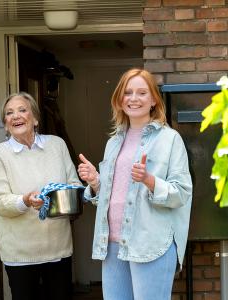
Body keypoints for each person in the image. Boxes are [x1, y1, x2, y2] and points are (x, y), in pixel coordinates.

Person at [77, 68, 193, 299]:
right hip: (112, 244)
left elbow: (181, 193)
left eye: (142, 92)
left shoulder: (169, 139)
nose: (134, 98)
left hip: (150, 244)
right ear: (120, 100)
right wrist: (95, 182)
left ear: (153, 100)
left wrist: (149, 180)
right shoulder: (113, 142)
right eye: (128, 92)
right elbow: (111, 196)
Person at [0, 92, 79, 300]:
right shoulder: (0, 154)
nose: (16, 116)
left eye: (22, 110)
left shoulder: (57, 145)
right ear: (5, 123)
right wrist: (25, 201)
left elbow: (73, 187)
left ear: (35, 118)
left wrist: (52, 201)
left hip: (58, 249)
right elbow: (1, 202)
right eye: (9, 113)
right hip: (20, 253)